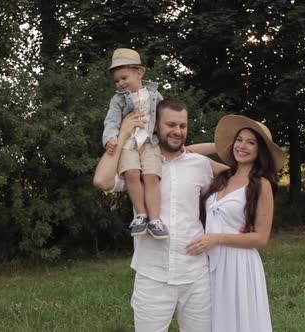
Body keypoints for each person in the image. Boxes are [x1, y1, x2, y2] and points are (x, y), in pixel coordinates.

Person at [93, 98, 228, 332]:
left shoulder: (200, 165)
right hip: (152, 274)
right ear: (156, 125)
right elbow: (102, 180)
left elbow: (244, 175)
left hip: (196, 274)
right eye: (171, 125)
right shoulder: (138, 161)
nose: (177, 131)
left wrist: (214, 146)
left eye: (182, 126)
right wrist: (124, 133)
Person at [186, 115, 286, 332]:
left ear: (261, 151)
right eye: (239, 140)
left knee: (238, 322)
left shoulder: (261, 184)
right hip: (211, 262)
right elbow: (187, 152)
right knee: (213, 321)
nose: (243, 146)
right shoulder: (223, 174)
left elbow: (260, 238)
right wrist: (220, 145)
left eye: (251, 142)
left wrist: (217, 238)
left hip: (239, 264)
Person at [102, 48, 168, 239]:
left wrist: (167, 138)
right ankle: (141, 215)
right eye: (117, 80)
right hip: (129, 142)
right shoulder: (117, 100)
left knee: (151, 176)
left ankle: (155, 219)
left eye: (124, 78)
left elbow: (164, 118)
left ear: (139, 72)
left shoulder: (155, 95)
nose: (120, 83)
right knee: (131, 173)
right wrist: (110, 139)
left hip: (150, 141)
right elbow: (111, 121)